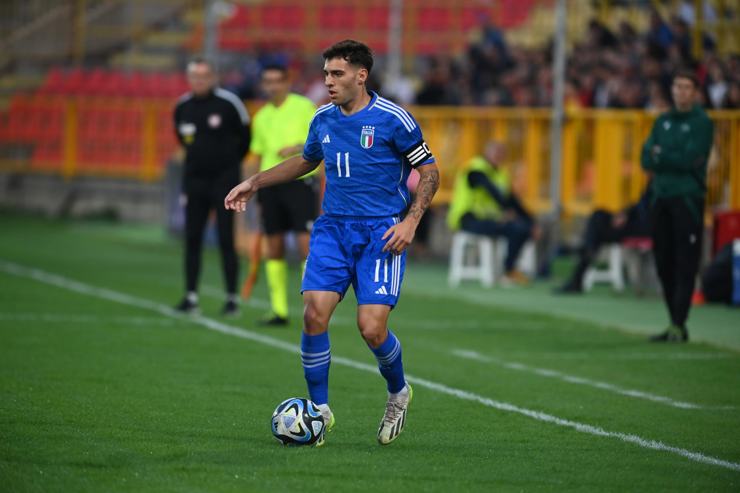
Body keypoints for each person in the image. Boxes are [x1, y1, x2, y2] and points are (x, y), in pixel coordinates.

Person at [225, 40, 439, 446]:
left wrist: (411, 221)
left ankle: (398, 392)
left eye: (336, 74)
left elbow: (429, 171)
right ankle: (319, 413)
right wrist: (254, 181)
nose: (328, 81)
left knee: (371, 329)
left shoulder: (394, 119)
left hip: (382, 233)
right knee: (313, 315)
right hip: (333, 230)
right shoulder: (322, 118)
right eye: (325, 74)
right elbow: (307, 160)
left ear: (361, 75)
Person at [173, 57, 251, 316]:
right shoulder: (182, 106)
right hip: (195, 181)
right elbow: (183, 140)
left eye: (204, 77)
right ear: (189, 79)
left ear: (213, 78)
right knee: (192, 238)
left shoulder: (229, 104)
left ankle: (231, 298)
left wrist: (228, 166)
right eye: (195, 77)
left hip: (224, 182)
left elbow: (245, 139)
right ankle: (191, 296)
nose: (200, 81)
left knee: (227, 239)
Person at [641, 70, 714, 342]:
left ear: (695, 93)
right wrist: (665, 157)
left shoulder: (702, 123)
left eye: (686, 87)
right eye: (677, 87)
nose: (681, 92)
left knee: (685, 261)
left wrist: (663, 156)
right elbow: (646, 158)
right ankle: (675, 323)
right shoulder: (663, 121)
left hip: (687, 198)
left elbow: (691, 160)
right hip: (660, 197)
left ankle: (679, 322)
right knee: (663, 261)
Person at [248, 64, 318, 326]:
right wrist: (251, 186)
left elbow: (321, 140)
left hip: (300, 181)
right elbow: (256, 153)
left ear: (287, 82)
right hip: (270, 186)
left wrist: (299, 147)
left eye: (277, 81)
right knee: (274, 246)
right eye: (268, 81)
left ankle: (312, 308)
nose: (272, 86)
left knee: (306, 246)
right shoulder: (262, 116)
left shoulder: (304, 107)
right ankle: (278, 310)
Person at [447, 141, 537, 284]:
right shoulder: (475, 169)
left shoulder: (501, 173)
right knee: (515, 229)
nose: (498, 157)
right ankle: (508, 271)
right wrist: (507, 212)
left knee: (522, 228)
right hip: (467, 218)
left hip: (488, 219)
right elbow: (494, 193)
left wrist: (531, 221)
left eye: (502, 154)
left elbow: (511, 199)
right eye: (496, 153)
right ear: (486, 152)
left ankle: (510, 269)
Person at [557, 184, 652, 293]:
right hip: (632, 223)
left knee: (596, 226)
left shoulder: (662, 185)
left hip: (642, 228)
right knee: (598, 214)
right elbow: (638, 206)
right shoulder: (654, 183)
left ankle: (583, 251)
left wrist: (628, 216)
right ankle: (586, 249)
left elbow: (645, 210)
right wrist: (624, 214)